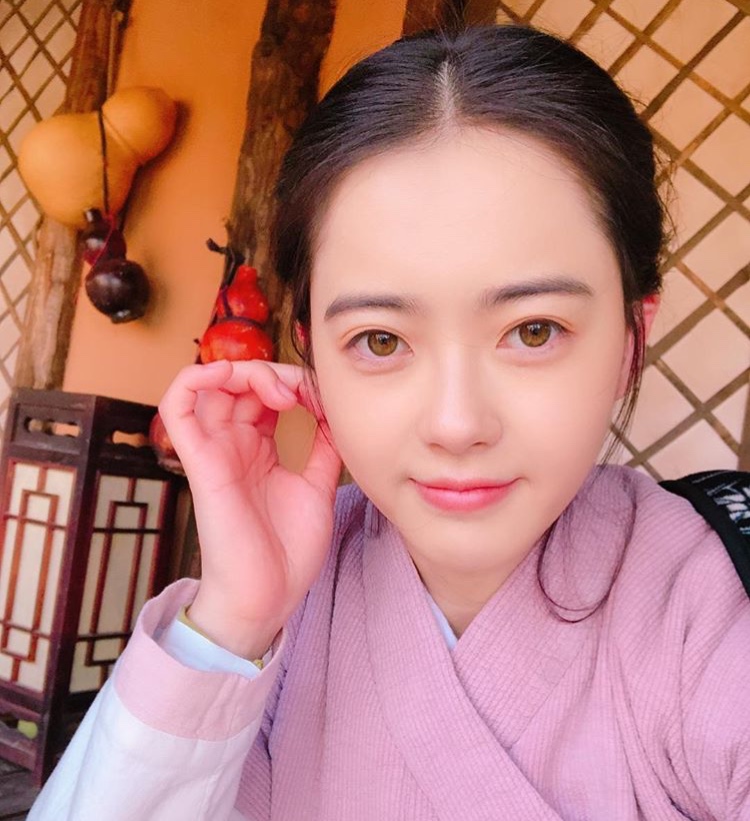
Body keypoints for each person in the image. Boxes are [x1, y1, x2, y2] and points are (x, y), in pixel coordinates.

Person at [30, 23, 749, 821]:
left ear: (631, 339)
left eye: (534, 330)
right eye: (380, 340)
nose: (456, 424)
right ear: (310, 354)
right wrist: (232, 622)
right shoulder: (282, 601)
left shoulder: (707, 610)